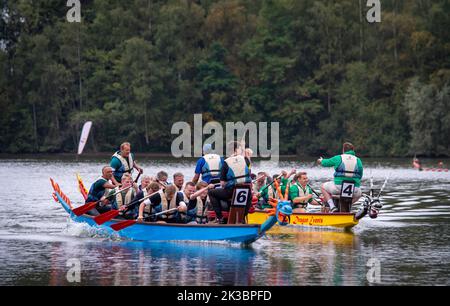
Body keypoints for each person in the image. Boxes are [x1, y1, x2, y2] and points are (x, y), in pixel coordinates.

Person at [208, 141, 252, 224]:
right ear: (236, 150)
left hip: (231, 191)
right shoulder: (245, 160)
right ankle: (242, 217)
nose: (242, 151)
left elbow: (223, 183)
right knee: (250, 196)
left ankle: (219, 217)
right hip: (246, 191)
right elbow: (248, 171)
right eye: (240, 149)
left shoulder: (226, 162)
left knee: (211, 193)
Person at [317, 142, 363, 212]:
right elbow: (360, 175)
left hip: (338, 188)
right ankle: (348, 204)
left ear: (343, 150)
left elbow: (326, 163)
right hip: (354, 189)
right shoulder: (358, 160)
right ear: (353, 150)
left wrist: (321, 161)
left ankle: (332, 207)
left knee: (322, 187)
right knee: (359, 193)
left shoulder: (338, 158)